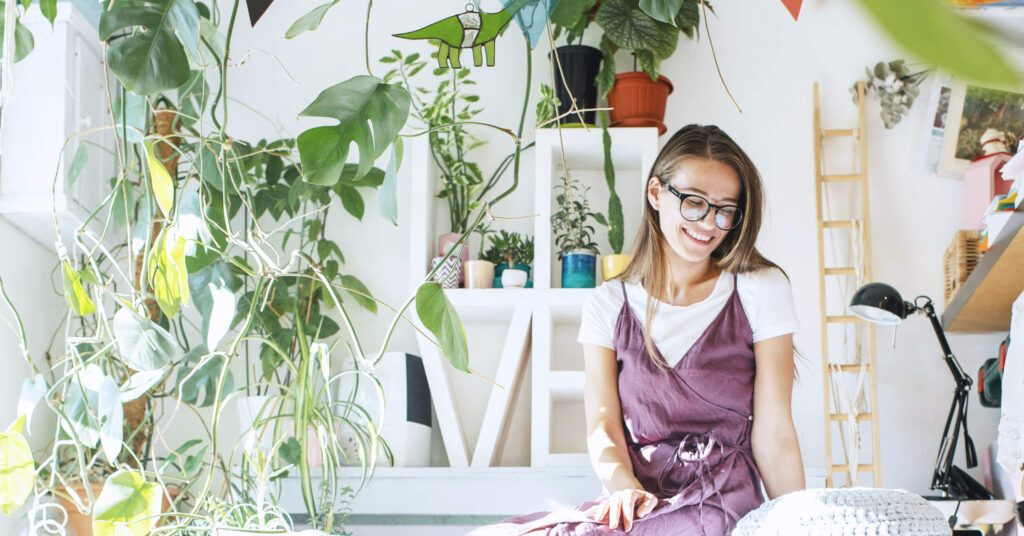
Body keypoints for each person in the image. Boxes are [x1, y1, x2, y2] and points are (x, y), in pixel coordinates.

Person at [468, 124, 805, 535]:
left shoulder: (759, 289)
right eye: (694, 202)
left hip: (719, 499)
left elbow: (775, 433)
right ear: (656, 193)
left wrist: (801, 523)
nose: (709, 223)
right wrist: (624, 488)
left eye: (725, 210)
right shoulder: (608, 304)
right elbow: (603, 426)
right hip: (635, 497)